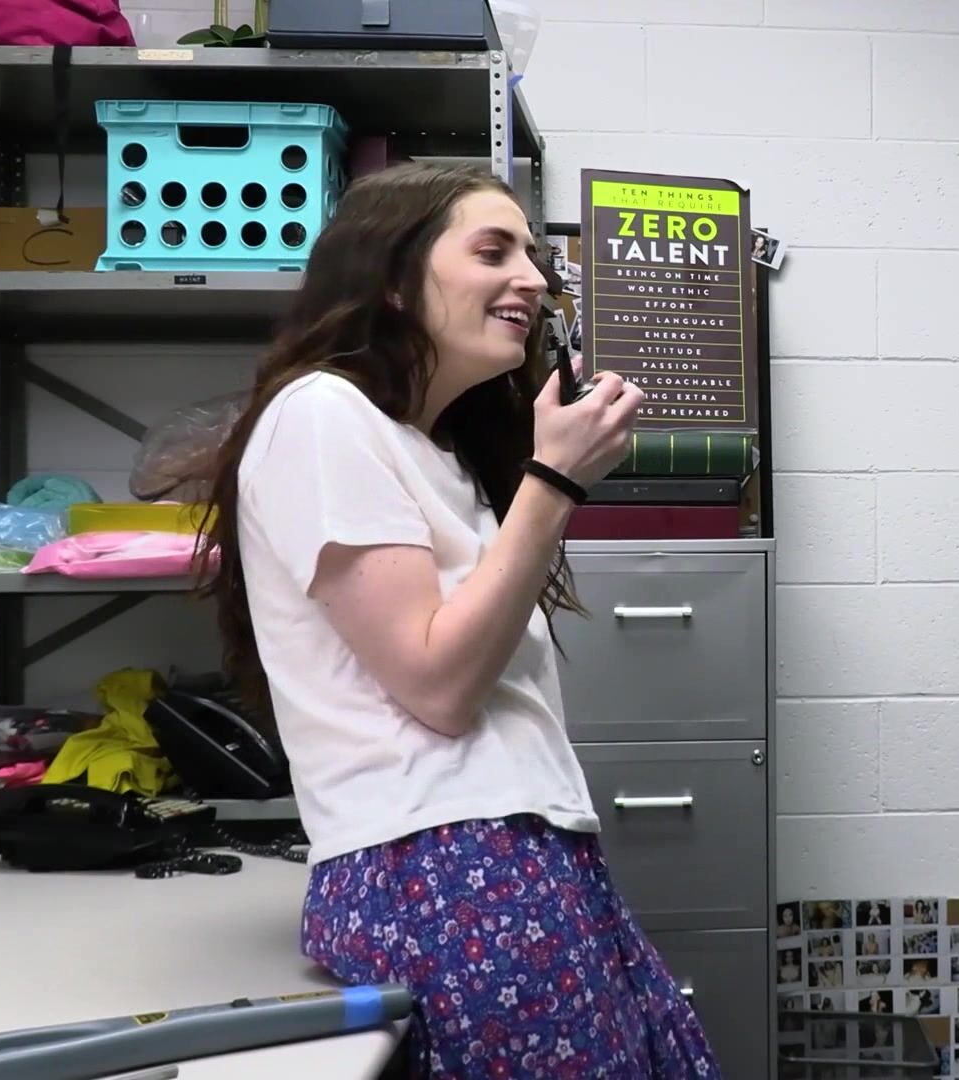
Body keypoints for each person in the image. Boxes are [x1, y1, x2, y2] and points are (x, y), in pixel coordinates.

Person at [195, 161, 721, 1079]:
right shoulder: (321, 415)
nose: (533, 278)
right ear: (395, 280)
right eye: (493, 251)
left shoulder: (438, 456)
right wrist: (553, 483)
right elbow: (438, 685)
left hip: (516, 851)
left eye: (533, 255)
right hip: (442, 862)